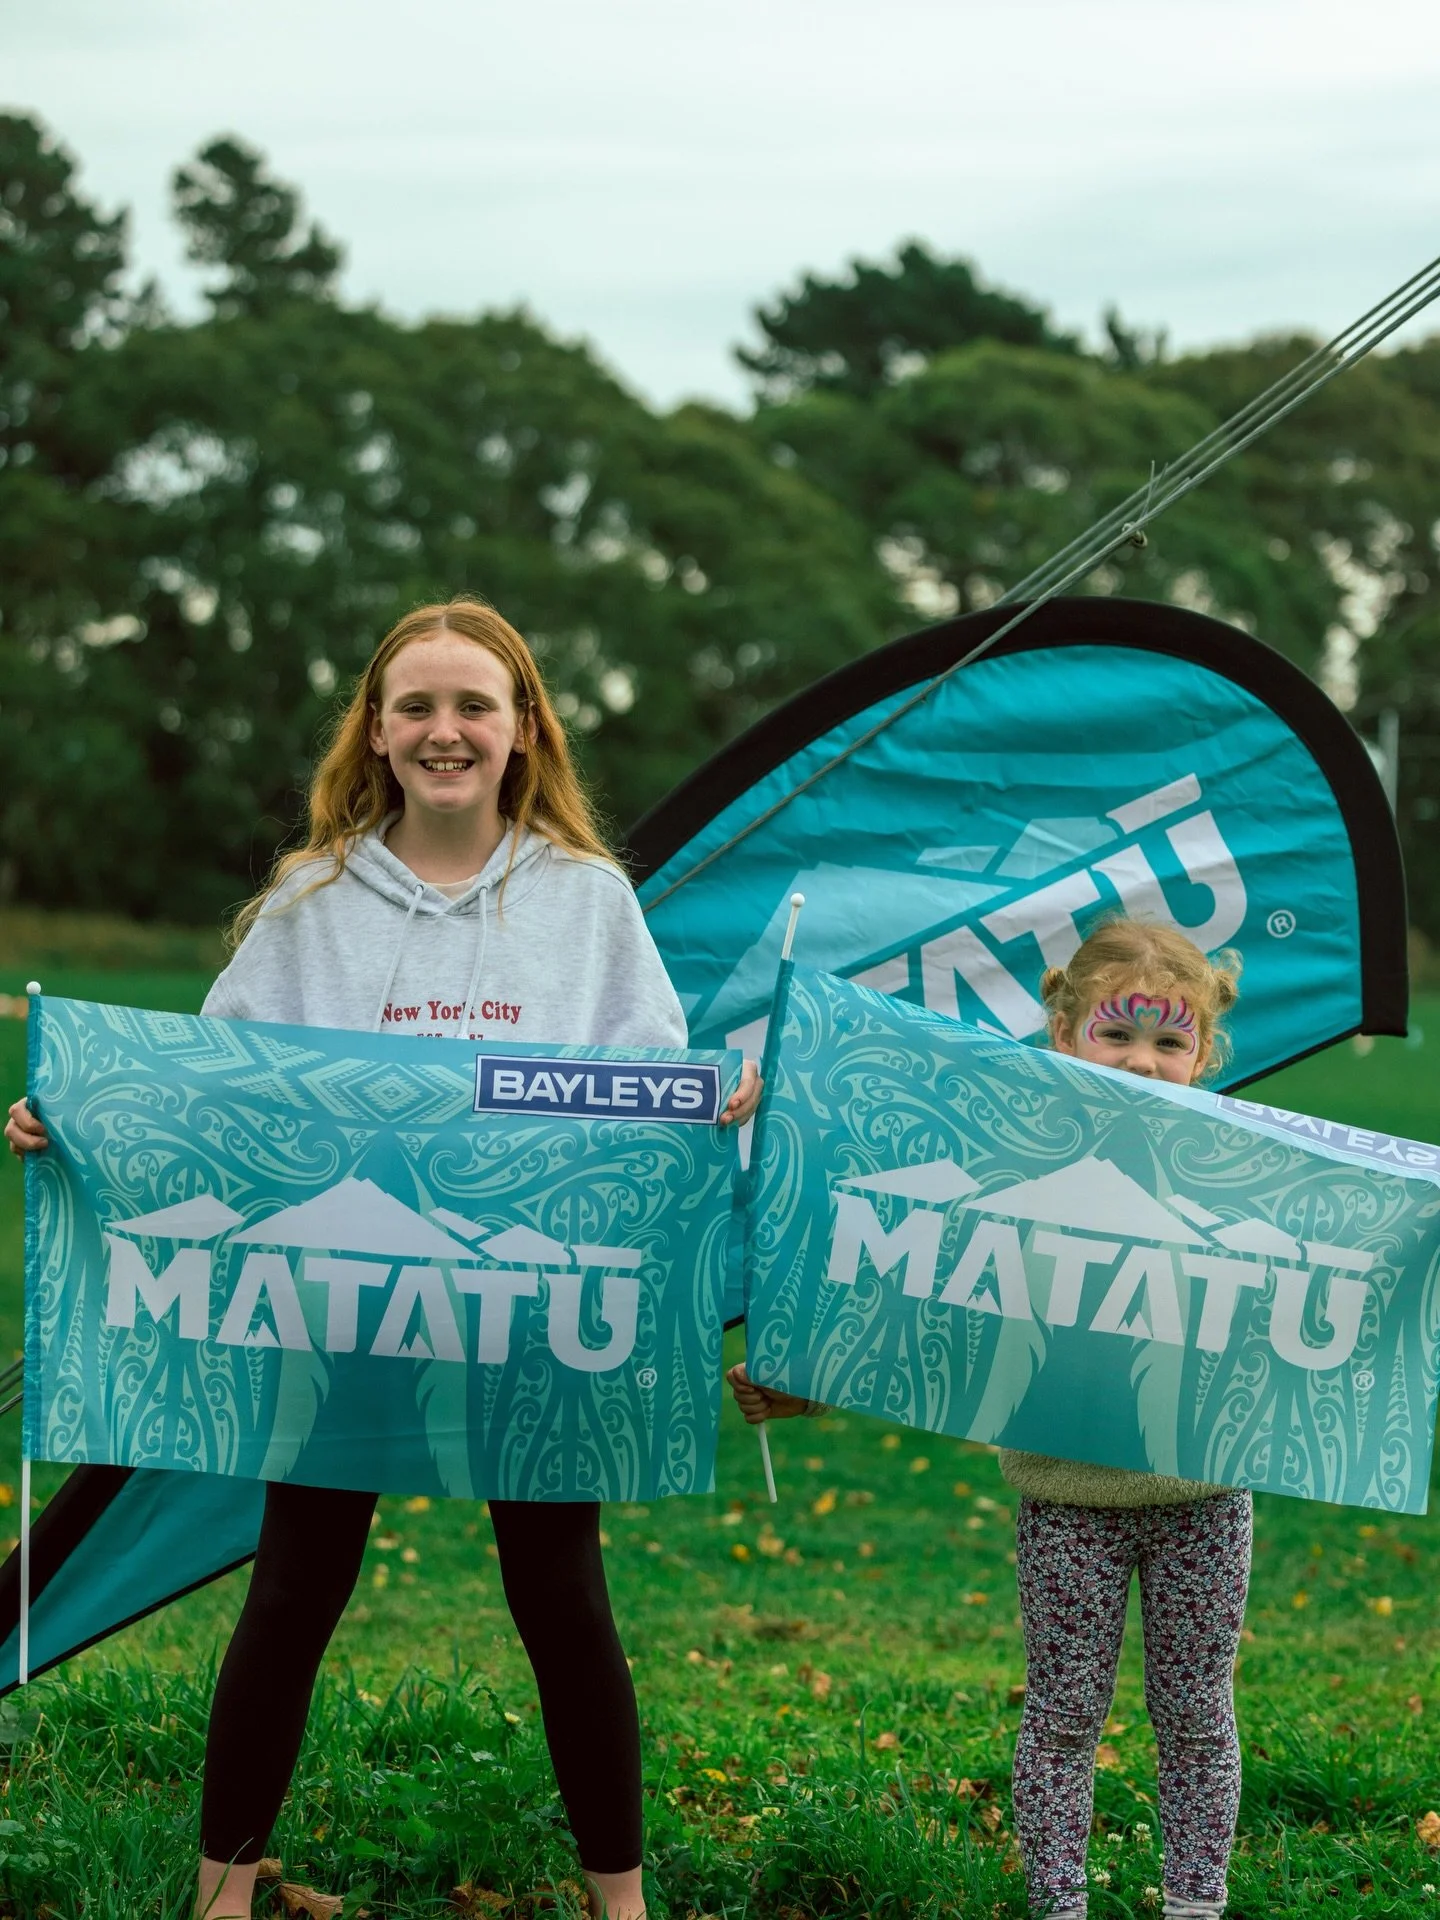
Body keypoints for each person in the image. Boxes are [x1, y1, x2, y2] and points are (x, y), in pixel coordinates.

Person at [7, 595, 759, 1920]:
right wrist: (78, 1122)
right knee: (296, 1586)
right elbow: (216, 1095)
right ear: (376, 729)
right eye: (416, 705)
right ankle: (221, 1899)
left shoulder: (587, 903)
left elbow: (643, 1086)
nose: (445, 729)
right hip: (339, 1306)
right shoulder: (310, 904)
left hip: (531, 1314)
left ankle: (621, 1904)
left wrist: (708, 1104)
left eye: (475, 704)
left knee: (561, 1594)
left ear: (525, 731)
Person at [730, 918, 1247, 1920]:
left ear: (1203, 1055)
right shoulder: (1013, 1169)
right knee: (1061, 1716)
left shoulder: (1237, 1164)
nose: (1143, 1059)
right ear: (1065, 1033)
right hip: (1064, 1501)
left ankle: (1198, 1904)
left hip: (1207, 1499)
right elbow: (934, 1309)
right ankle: (1058, 1904)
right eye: (1118, 1034)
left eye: (1169, 1043)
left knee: (1196, 1715)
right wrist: (810, 1382)